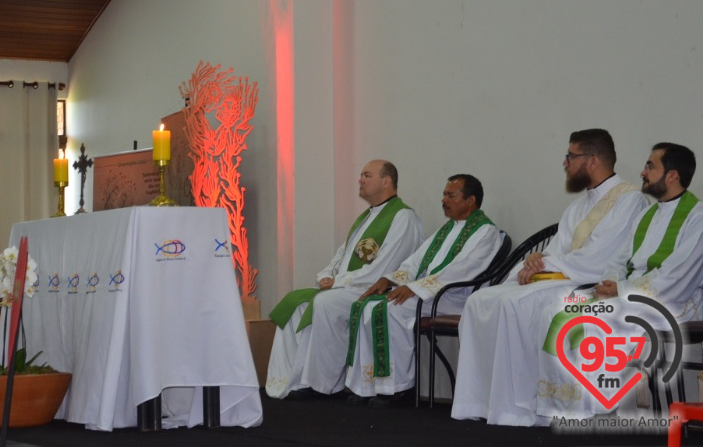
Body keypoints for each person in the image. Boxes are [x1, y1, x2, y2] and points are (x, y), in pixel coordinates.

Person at [451, 129, 648, 426]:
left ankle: (518, 406)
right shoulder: (579, 205)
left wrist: (544, 265)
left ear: (592, 160)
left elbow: (601, 258)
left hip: (589, 284)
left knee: (512, 306)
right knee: (481, 299)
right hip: (565, 277)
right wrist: (533, 262)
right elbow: (555, 251)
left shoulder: (630, 200)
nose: (565, 162)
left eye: (571, 155)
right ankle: (482, 402)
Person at [535, 142, 703, 420]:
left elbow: (677, 275)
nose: (643, 171)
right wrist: (610, 285)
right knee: (554, 314)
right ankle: (564, 404)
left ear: (672, 175)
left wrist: (622, 290)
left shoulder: (697, 218)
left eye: (650, 166)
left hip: (674, 302)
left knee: (595, 321)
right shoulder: (647, 214)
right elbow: (619, 259)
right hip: (630, 296)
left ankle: (598, 407)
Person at [265, 160, 424, 399]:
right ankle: (293, 379)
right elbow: (342, 255)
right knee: (295, 304)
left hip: (373, 289)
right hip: (351, 286)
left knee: (326, 303)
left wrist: (337, 283)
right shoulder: (365, 218)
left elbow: (384, 269)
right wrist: (326, 276)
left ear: (386, 181)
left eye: (367, 175)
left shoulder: (403, 217)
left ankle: (324, 385)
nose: (360, 180)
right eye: (361, 175)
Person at [344, 174, 503, 406]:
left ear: (471, 200)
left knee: (391, 310)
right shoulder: (446, 230)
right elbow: (414, 262)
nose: (444, 200)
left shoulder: (485, 232)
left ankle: (398, 388)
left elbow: (462, 270)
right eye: (444, 195)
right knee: (366, 307)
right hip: (430, 294)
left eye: (451, 195)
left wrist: (415, 288)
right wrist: (388, 279)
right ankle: (368, 386)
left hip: (453, 297)